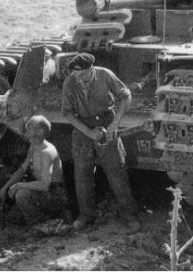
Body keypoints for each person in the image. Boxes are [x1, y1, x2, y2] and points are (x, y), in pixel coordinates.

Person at [60, 52, 140, 232]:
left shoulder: (105, 75)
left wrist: (114, 125)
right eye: (76, 75)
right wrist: (88, 132)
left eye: (83, 75)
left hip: (106, 121)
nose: (79, 79)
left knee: (116, 171)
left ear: (92, 69)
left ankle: (129, 214)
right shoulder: (70, 82)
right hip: (82, 126)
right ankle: (86, 216)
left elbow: (126, 96)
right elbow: (67, 113)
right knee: (82, 173)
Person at [0, 115, 68, 228]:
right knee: (14, 214)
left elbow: (44, 185)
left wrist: (19, 185)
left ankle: (41, 225)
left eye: (29, 129)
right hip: (44, 193)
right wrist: (4, 189)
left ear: (40, 131)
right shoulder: (34, 147)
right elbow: (22, 170)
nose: (26, 133)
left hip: (54, 195)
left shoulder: (47, 152)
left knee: (22, 195)